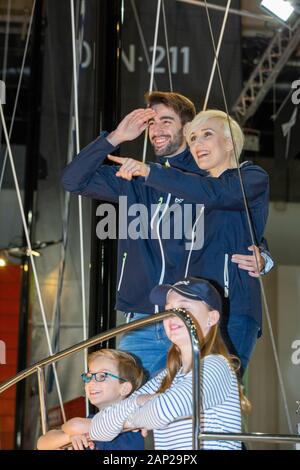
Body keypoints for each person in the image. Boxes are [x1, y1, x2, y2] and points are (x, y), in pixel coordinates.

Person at [61, 92, 273, 376]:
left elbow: (232, 217)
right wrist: (115, 137)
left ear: (186, 128)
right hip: (144, 315)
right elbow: (73, 180)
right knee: (132, 408)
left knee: (199, 406)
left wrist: (264, 256)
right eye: (151, 122)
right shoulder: (139, 178)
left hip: (199, 313)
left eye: (166, 121)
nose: (156, 129)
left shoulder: (208, 179)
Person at [84, 278, 245, 450]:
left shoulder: (216, 366)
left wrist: (128, 419)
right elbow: (98, 429)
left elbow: (161, 412)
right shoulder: (167, 377)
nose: (172, 317)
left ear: (211, 318)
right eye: (168, 311)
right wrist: (138, 401)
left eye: (183, 309)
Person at [36, 349, 144, 450]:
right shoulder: (92, 419)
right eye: (89, 376)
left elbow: (74, 425)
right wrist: (70, 438)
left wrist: (75, 432)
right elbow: (42, 443)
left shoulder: (128, 419)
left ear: (124, 388)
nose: (91, 382)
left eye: (102, 376)